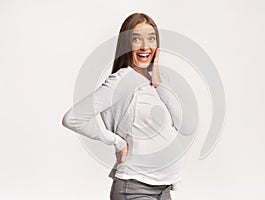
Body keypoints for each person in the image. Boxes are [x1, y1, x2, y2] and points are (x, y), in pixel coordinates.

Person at [62, 13, 184, 200]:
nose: (145, 46)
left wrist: (158, 80)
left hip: (163, 189)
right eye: (137, 39)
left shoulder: (156, 83)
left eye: (151, 38)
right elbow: (73, 118)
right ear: (126, 44)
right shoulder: (122, 79)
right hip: (135, 188)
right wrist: (117, 142)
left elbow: (180, 123)